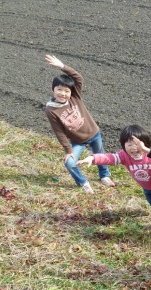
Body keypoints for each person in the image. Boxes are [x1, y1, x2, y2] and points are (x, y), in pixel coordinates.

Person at [77, 125, 151, 234]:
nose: (134, 148)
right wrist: (92, 158)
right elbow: (109, 158)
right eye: (129, 144)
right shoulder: (124, 156)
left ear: (145, 144)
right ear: (123, 145)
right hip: (146, 184)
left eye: (137, 144)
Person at [44, 54, 114, 194]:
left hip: (94, 133)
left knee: (100, 154)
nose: (63, 93)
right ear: (53, 89)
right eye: (59, 89)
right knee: (69, 162)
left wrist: (62, 66)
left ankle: (104, 176)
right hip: (77, 141)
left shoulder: (75, 97)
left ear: (71, 92)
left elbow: (78, 78)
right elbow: (59, 132)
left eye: (66, 91)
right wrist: (68, 151)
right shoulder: (51, 109)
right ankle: (83, 182)